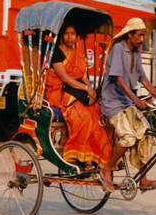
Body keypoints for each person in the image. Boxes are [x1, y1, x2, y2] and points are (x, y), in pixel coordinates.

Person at [100, 17, 156, 191]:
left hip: (126, 102)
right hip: (112, 103)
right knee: (128, 137)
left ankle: (143, 179)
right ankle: (106, 169)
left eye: (143, 35)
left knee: (146, 135)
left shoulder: (136, 53)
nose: (142, 39)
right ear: (129, 35)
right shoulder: (118, 49)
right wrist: (136, 100)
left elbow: (144, 80)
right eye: (139, 35)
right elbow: (118, 80)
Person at [45, 23, 112, 171]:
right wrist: (86, 88)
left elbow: (83, 75)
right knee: (83, 117)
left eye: (73, 34)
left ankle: (94, 157)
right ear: (62, 36)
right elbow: (64, 78)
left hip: (76, 91)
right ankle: (78, 157)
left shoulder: (78, 52)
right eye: (67, 34)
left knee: (96, 115)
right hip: (59, 92)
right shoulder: (57, 53)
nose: (70, 37)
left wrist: (91, 90)